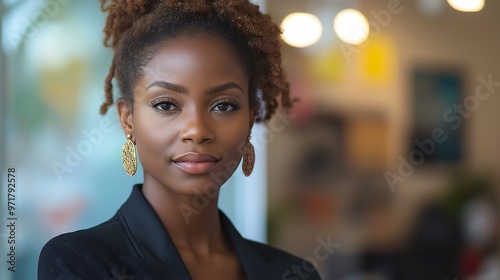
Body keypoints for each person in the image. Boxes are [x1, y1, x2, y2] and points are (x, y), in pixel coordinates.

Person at [38, 0, 321, 279]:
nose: (197, 131)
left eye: (223, 105)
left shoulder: (294, 273)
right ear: (128, 119)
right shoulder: (79, 262)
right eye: (166, 105)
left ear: (250, 118)